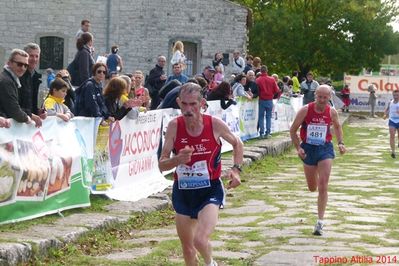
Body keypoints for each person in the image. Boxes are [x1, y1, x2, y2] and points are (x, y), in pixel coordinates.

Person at [158, 82, 243, 266]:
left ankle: (210, 263)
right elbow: (162, 165)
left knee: (200, 240)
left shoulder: (214, 124)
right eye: (184, 104)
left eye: (193, 104)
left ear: (202, 103)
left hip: (210, 190)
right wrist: (177, 160)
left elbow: (238, 144)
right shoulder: (174, 126)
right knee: (188, 251)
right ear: (179, 103)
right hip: (183, 191)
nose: (188, 110)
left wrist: (236, 170)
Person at [289, 85, 346, 236]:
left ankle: (320, 222)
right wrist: (298, 147)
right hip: (308, 148)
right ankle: (314, 177)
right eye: (319, 97)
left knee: (323, 185)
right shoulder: (306, 110)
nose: (321, 100)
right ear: (315, 96)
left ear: (329, 98)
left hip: (325, 148)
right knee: (312, 187)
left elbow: (338, 127)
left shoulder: (331, 112)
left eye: (324, 97)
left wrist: (340, 143)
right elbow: (293, 130)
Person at [0, 49, 36, 126]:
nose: (23, 68)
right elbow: (13, 110)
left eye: (26, 65)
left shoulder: (10, 78)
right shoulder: (6, 81)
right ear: (9, 63)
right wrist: (27, 119)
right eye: (19, 64)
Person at [19, 43, 45, 126]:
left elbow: (30, 102)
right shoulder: (19, 76)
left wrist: (37, 111)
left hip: (28, 121)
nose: (34, 59)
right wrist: (31, 115)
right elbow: (15, 104)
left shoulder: (35, 77)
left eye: (36, 56)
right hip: (18, 121)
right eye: (31, 56)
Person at [256, 65, 280, 139]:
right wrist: (271, 93)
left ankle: (261, 133)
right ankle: (268, 132)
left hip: (261, 100)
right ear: (267, 70)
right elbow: (277, 90)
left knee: (261, 117)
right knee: (268, 117)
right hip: (270, 99)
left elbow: (257, 91)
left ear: (261, 71)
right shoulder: (272, 79)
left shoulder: (258, 80)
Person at [383, 90, 399, 158]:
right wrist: (385, 114)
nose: (395, 96)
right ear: (392, 95)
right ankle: (393, 152)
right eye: (394, 95)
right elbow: (387, 109)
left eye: (397, 95)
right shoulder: (390, 102)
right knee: (392, 136)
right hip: (392, 120)